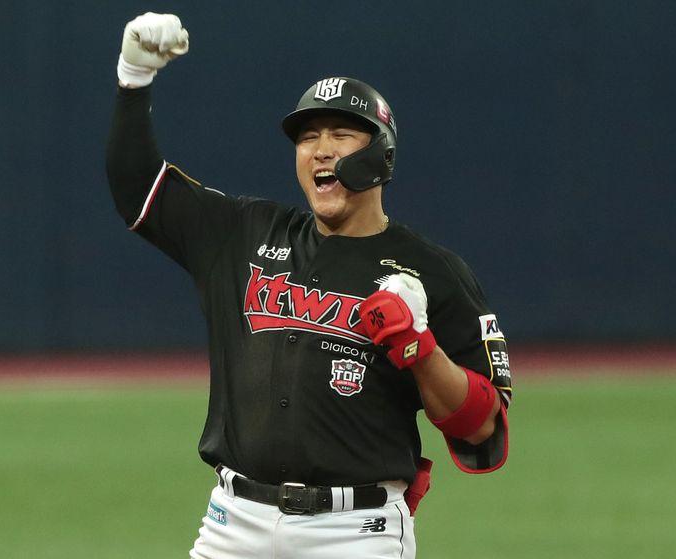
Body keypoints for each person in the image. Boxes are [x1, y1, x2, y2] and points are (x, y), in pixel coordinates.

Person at [106, 13, 513, 559]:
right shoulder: (244, 234)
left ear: (381, 155)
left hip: (353, 531)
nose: (320, 149)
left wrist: (419, 347)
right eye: (308, 137)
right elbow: (138, 190)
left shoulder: (431, 272)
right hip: (234, 522)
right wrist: (134, 79)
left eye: (341, 135)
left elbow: (482, 424)